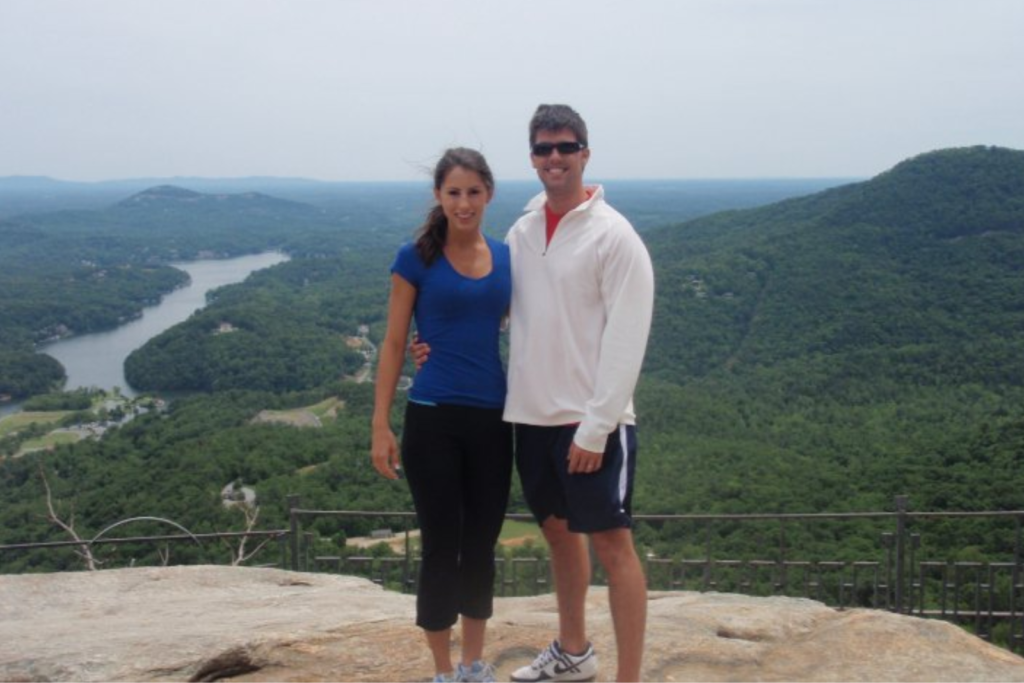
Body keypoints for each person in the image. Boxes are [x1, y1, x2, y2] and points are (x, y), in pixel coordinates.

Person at [413, 105, 655, 682]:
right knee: (556, 531)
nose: (554, 158)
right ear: (532, 158)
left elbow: (627, 341)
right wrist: (435, 345)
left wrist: (596, 428)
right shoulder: (521, 234)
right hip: (531, 417)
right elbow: (492, 307)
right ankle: (573, 651)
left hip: (591, 420)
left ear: (585, 155)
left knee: (613, 544)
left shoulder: (614, 236)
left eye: (565, 148)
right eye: (544, 149)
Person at [371, 147, 513, 683]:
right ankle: (441, 671)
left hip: (494, 421)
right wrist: (380, 423)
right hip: (432, 418)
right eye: (453, 192)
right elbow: (392, 342)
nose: (464, 202)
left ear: (489, 194)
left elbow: (533, 325)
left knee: (480, 545)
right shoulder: (416, 258)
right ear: (438, 196)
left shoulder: (507, 258)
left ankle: (474, 664)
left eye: (473, 192)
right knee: (440, 546)